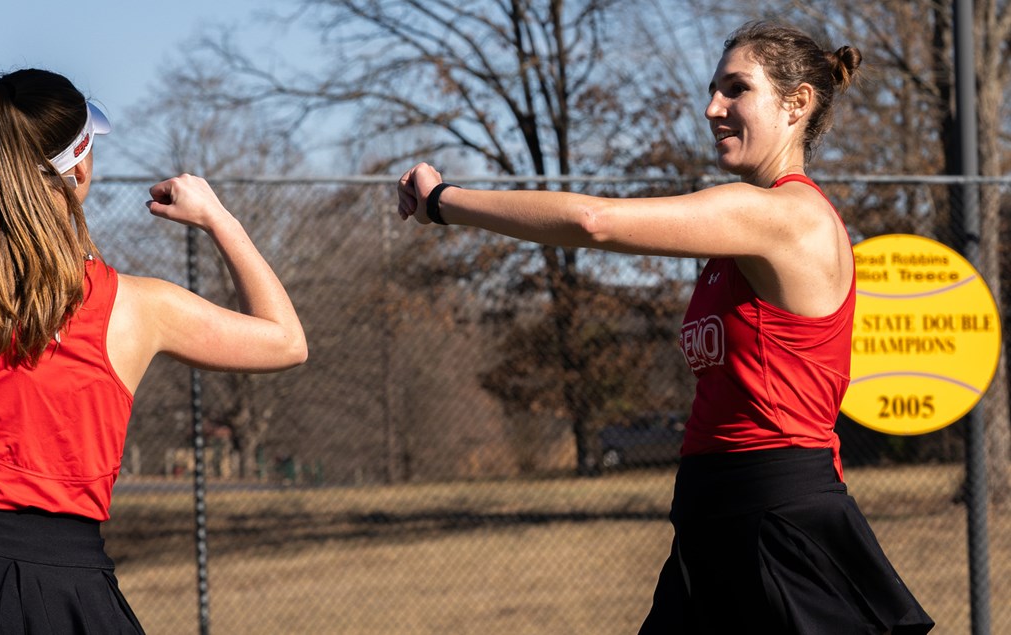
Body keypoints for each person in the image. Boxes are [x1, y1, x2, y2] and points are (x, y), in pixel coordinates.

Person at [397, 20, 933, 635]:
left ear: (797, 103)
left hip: (776, 519)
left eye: (736, 89)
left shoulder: (786, 216)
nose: (712, 108)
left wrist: (445, 202)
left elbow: (595, 221)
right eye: (713, 89)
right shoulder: (740, 234)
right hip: (715, 517)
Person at [0, 69, 307, 633]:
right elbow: (286, 340)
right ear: (79, 166)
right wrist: (216, 217)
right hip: (76, 590)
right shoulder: (141, 307)